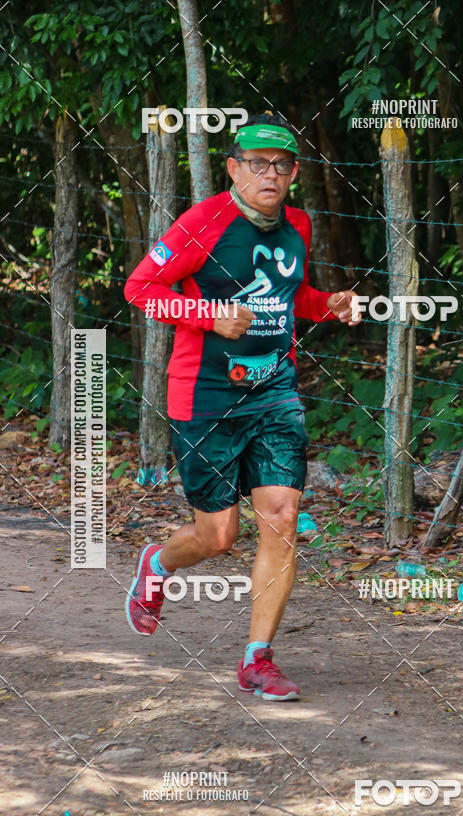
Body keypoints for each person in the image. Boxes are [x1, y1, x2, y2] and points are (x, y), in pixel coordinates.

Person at [123, 112, 360, 701]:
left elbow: (292, 298)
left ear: (295, 172)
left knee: (281, 518)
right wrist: (208, 315)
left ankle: (258, 658)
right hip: (204, 395)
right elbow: (139, 288)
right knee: (218, 536)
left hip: (276, 391)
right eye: (256, 163)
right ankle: (157, 563)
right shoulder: (204, 222)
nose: (269, 174)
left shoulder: (297, 225)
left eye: (280, 164)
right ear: (233, 167)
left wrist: (329, 304)